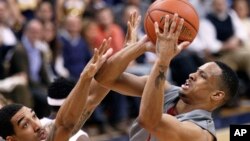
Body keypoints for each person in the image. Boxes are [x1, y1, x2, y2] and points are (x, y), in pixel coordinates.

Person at [95, 13, 239, 141]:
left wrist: (163, 60)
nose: (192, 75)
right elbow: (104, 77)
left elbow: (150, 121)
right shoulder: (166, 91)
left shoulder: (200, 133)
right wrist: (139, 47)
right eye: (196, 71)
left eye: (203, 76)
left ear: (217, 95)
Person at [0, 38, 113, 141]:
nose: (37, 126)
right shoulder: (66, 133)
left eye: (34, 116)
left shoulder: (46, 128)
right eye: (25, 125)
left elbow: (91, 98)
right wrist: (85, 78)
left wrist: (128, 49)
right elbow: (67, 123)